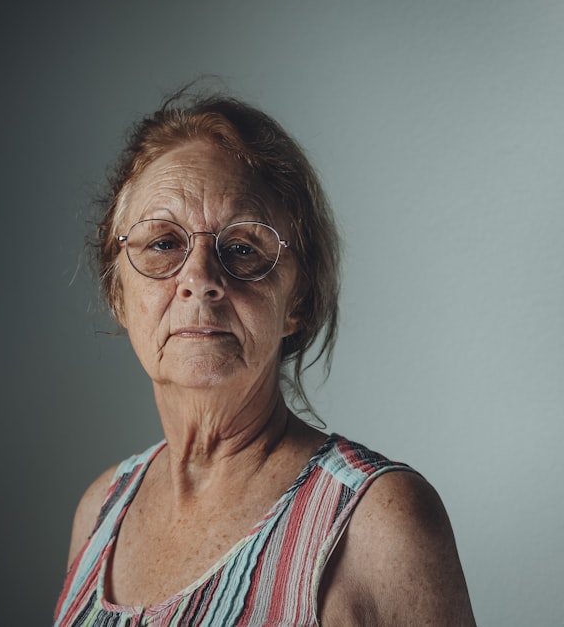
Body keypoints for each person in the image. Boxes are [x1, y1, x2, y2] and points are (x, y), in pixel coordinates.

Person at [54, 87, 476, 626]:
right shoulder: (100, 510)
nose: (201, 280)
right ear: (118, 294)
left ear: (297, 301)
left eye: (243, 248)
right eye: (162, 243)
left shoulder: (377, 521)